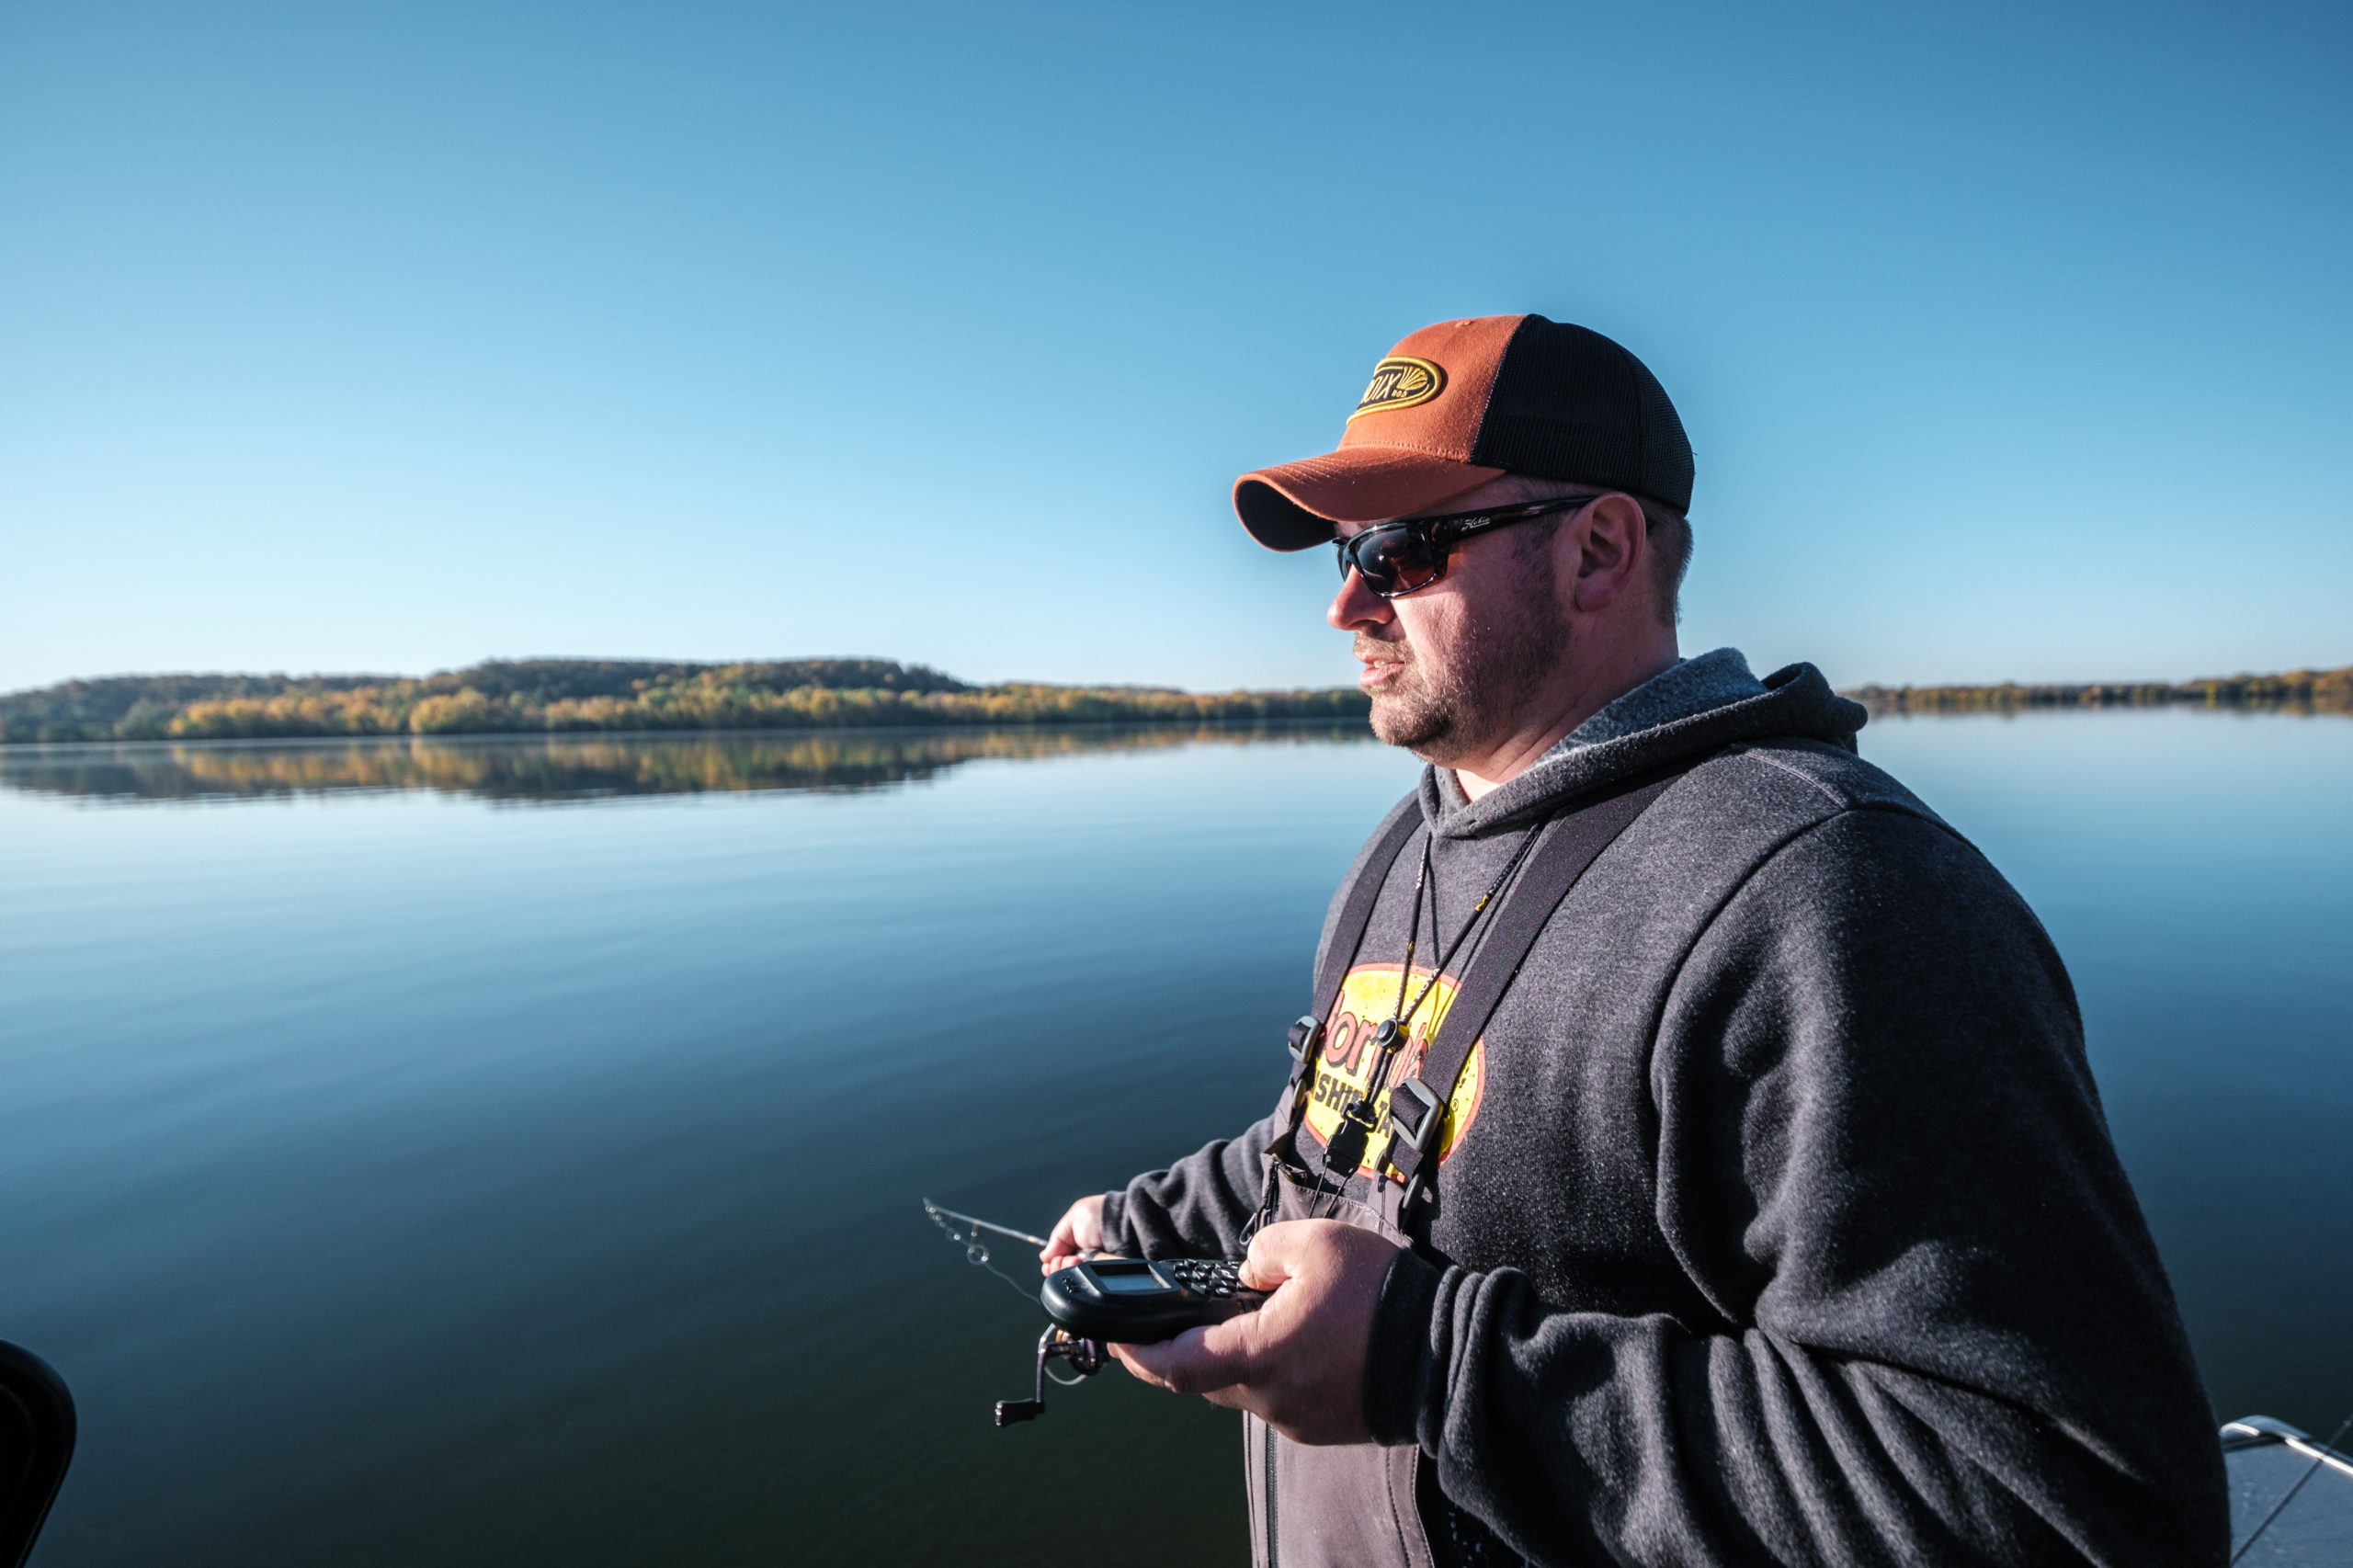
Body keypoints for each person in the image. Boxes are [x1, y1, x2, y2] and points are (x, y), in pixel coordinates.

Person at [1040, 313, 2228, 1568]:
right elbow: (1345, 1130)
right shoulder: (1410, 843)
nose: (1346, 603)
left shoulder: (1834, 890)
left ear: (1599, 551)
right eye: (1342, 551)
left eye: (1399, 548)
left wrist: (1425, 1359)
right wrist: (1151, 1218)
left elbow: (2065, 1501)